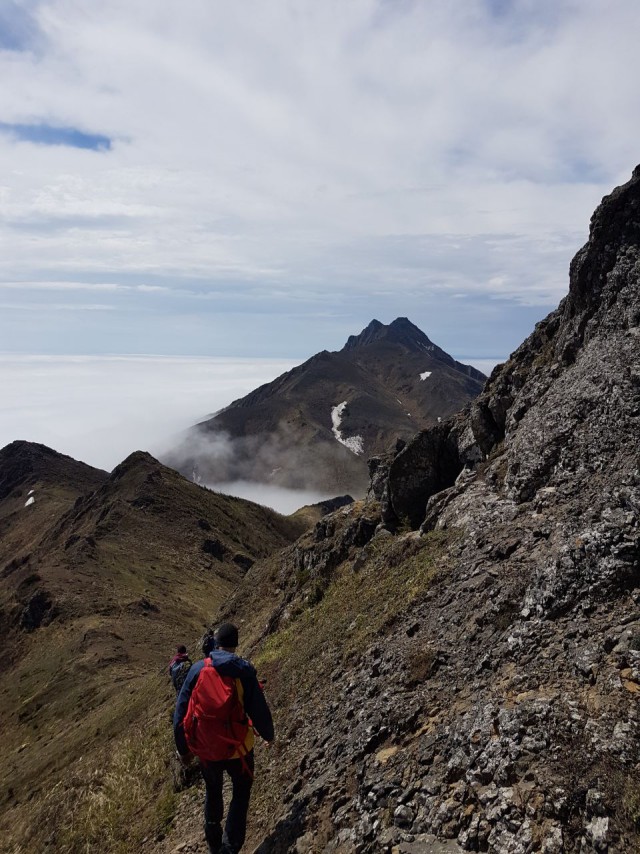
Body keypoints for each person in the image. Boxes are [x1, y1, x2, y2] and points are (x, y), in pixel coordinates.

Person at [174, 622, 274, 854]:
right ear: (235, 645)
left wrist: (183, 749)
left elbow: (180, 713)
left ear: (216, 644)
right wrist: (269, 734)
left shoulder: (197, 669)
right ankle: (230, 848)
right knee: (241, 790)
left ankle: (213, 839)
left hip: (207, 748)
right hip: (238, 748)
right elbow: (257, 708)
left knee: (213, 787)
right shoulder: (243, 671)